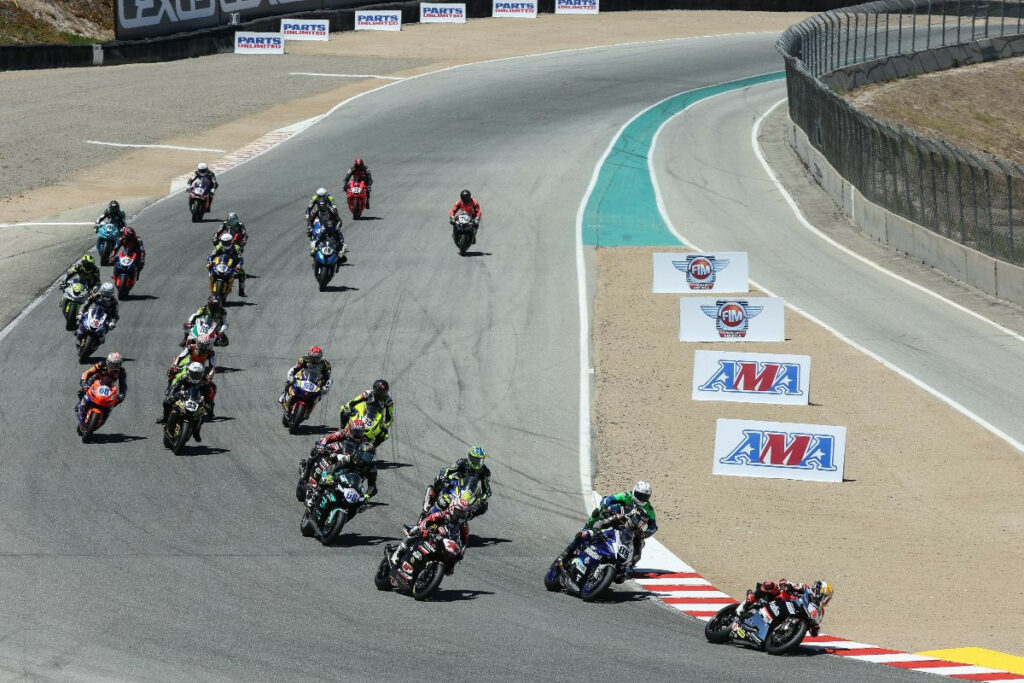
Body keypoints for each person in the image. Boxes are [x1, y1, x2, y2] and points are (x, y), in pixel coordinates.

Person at [558, 481, 657, 569]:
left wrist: (646, 533)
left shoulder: (649, 509)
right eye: (640, 495)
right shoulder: (627, 496)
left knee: (639, 550)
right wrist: (605, 507)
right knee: (599, 512)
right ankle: (588, 527)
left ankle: (626, 565)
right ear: (634, 491)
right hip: (619, 518)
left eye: (645, 497)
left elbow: (653, 526)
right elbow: (609, 499)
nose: (642, 498)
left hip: (634, 529)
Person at [391, 495, 473, 578]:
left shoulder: (464, 526)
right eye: (459, 512)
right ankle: (398, 552)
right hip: (431, 536)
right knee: (416, 530)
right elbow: (428, 520)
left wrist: (460, 554)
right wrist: (424, 529)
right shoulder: (443, 514)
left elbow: (464, 542)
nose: (461, 516)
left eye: (463, 514)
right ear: (452, 508)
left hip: (445, 543)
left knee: (456, 555)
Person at [421, 446, 491, 519]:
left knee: (484, 506)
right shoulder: (462, 462)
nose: (478, 462)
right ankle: (430, 501)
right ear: (470, 457)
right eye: (475, 459)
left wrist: (483, 498)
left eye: (480, 460)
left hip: (468, 493)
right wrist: (444, 478)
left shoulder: (485, 471)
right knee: (439, 480)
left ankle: (467, 517)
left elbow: (487, 490)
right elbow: (448, 470)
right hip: (455, 485)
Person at [157, 362, 209, 440]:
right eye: (194, 374)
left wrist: (207, 403)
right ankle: (165, 417)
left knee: (203, 415)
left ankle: (196, 432)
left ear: (202, 374)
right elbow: (176, 386)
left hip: (195, 400)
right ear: (189, 372)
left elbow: (207, 394)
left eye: (198, 375)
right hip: (183, 395)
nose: (195, 377)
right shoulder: (184, 377)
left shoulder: (204, 382)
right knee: (166, 402)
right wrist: (171, 395)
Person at [167, 336, 217, 417]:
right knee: (172, 372)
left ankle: (210, 409)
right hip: (188, 368)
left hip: (201, 371)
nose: (203, 347)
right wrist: (174, 366)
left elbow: (213, 366)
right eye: (201, 344)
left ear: (208, 345)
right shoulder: (191, 347)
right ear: (197, 342)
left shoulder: (211, 352)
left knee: (212, 386)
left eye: (205, 345)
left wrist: (210, 376)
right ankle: (169, 387)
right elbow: (180, 356)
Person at [339, 379, 393, 445]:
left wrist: (385, 425)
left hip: (377, 417)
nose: (382, 395)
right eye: (380, 392)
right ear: (375, 389)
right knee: (343, 409)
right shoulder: (367, 393)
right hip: (364, 411)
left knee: (385, 435)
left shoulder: (389, 401)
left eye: (384, 392)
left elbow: (390, 417)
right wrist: (348, 407)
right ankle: (343, 429)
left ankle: (372, 449)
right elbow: (353, 401)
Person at [208, 233, 246, 297]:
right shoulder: (219, 246)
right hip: (219, 263)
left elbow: (240, 259)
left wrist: (239, 265)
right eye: (224, 242)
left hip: (232, 264)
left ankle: (241, 291)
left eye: (227, 242)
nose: (226, 244)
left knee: (242, 273)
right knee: (209, 267)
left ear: (231, 241)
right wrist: (210, 261)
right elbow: (211, 256)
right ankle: (212, 283)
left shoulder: (236, 248)